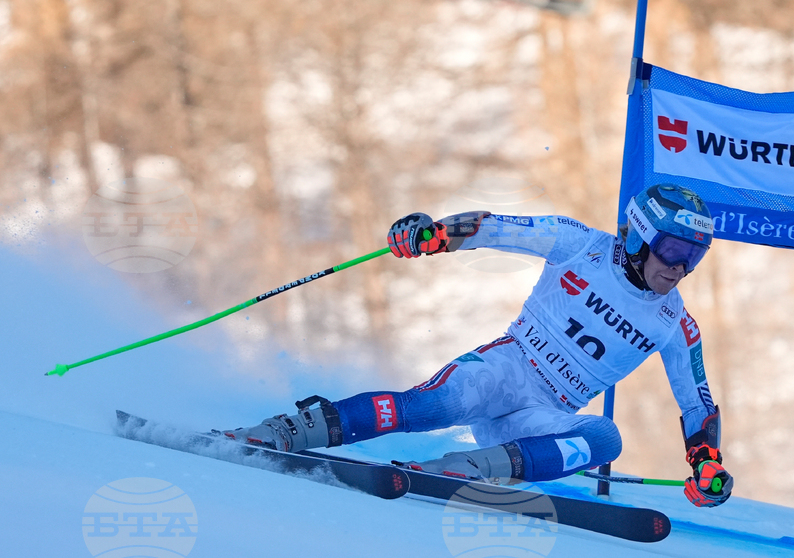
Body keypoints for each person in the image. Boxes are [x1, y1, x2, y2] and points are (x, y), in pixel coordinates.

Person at [223, 183, 734, 508]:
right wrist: (433, 235)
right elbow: (496, 228)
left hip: (541, 417)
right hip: (505, 369)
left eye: (693, 257)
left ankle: (462, 469)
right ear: (641, 238)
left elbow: (697, 403)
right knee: (428, 406)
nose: (679, 267)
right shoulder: (580, 244)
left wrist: (705, 462)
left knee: (604, 438)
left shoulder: (676, 323)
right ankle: (281, 431)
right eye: (672, 249)